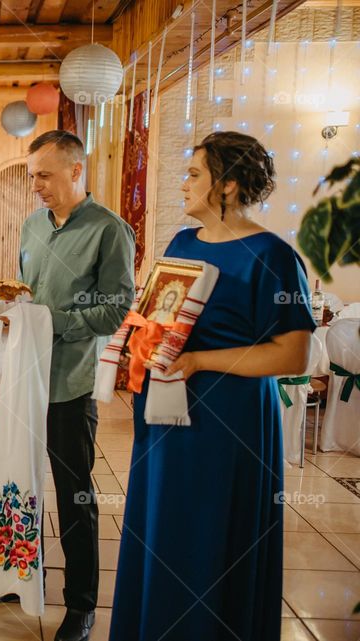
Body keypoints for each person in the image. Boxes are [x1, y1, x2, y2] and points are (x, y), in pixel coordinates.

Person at [109, 132, 314, 641]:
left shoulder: (272, 256)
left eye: (194, 174)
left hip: (230, 421)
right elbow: (160, 317)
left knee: (210, 534)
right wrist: (132, 351)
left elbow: (293, 354)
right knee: (165, 527)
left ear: (227, 185)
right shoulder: (181, 243)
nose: (183, 184)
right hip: (166, 414)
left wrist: (200, 360)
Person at [18, 130, 136, 641]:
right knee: (20, 482)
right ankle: (20, 573)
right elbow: (27, 290)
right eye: (32, 177)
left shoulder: (110, 230)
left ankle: (81, 603)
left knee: (73, 496)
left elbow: (117, 306)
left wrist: (51, 321)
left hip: (71, 382)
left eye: (44, 176)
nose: (36, 186)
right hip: (25, 377)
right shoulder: (31, 226)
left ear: (75, 171)